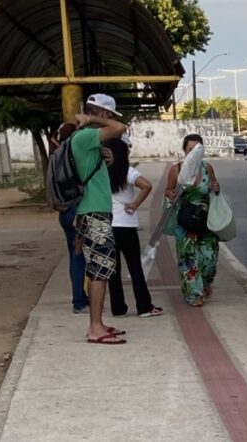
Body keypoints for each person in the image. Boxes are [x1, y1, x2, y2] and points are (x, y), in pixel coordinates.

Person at [72, 93, 128, 344]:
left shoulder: (90, 141)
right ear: (103, 114)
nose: (111, 121)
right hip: (93, 212)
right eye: (109, 115)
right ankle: (95, 328)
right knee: (100, 270)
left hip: (95, 211)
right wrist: (92, 118)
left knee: (101, 269)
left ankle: (99, 322)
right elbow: (119, 128)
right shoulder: (85, 136)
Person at [104, 137, 163, 318]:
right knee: (135, 267)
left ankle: (118, 308)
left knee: (113, 270)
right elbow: (147, 185)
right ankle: (144, 306)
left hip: (107, 225)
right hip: (126, 225)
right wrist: (135, 203)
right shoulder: (128, 172)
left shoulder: (100, 172)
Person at [165, 134, 221, 307]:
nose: (194, 153)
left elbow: (214, 188)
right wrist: (171, 193)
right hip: (185, 219)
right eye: (190, 150)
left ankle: (204, 284)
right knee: (188, 259)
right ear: (184, 150)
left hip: (205, 219)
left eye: (197, 150)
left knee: (209, 258)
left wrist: (216, 187)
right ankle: (193, 295)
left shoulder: (208, 168)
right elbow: (168, 190)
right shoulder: (176, 169)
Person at [50, 123, 88, 315]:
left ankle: (79, 298)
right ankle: (79, 301)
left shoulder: (55, 156)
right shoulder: (75, 156)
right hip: (77, 210)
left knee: (74, 256)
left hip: (64, 211)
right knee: (80, 256)